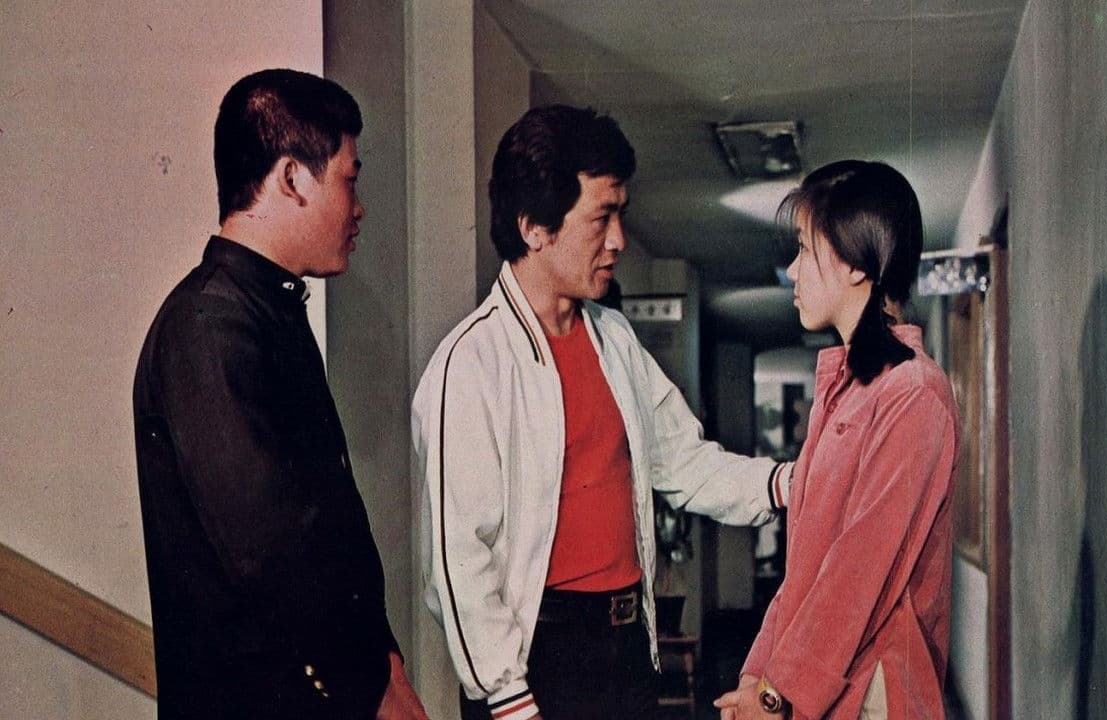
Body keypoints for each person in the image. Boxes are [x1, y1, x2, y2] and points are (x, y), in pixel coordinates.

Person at [411, 105, 792, 720]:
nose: (618, 240)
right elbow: (457, 558)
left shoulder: (614, 339)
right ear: (534, 228)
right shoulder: (470, 364)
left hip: (626, 645)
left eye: (621, 215)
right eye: (601, 218)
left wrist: (788, 483)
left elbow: (685, 462)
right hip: (537, 663)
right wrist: (509, 699)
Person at [133, 69, 429, 720]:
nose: (358, 207)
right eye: (349, 180)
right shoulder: (209, 325)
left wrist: (385, 663)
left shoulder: (258, 312)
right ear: (293, 178)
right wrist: (375, 685)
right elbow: (270, 551)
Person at [713, 160, 960, 719]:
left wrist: (776, 694)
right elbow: (806, 568)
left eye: (805, 249)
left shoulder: (914, 393)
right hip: (822, 686)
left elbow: (859, 571)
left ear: (855, 263)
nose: (793, 270)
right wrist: (758, 674)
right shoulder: (846, 389)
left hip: (874, 689)